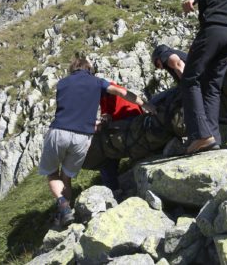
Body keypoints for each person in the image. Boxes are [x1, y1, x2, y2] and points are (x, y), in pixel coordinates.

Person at [38, 57, 150, 226]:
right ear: (88, 69)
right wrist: (145, 105)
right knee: (66, 178)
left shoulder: (62, 83)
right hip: (83, 137)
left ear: (73, 69)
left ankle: (64, 206)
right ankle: (66, 212)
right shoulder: (97, 82)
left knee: (52, 173)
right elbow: (120, 92)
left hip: (59, 130)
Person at [181, 0, 227, 154]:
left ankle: (201, 135)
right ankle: (213, 137)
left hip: (213, 31)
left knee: (189, 79)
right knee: (212, 85)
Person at [97, 81, 144, 192]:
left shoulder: (105, 91)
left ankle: (112, 190)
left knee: (107, 154)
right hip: (138, 121)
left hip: (125, 123)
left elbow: (107, 116)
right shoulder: (111, 88)